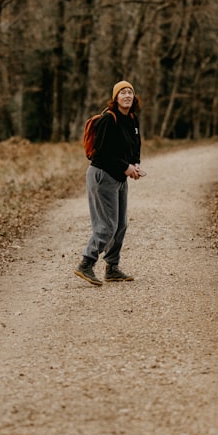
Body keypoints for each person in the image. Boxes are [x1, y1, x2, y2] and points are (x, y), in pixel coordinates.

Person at [74, 80, 144, 286]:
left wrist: (135, 164)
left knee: (121, 224)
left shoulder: (131, 119)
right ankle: (86, 264)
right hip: (102, 175)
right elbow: (102, 152)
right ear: (115, 98)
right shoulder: (108, 119)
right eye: (122, 92)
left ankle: (112, 268)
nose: (127, 96)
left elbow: (135, 146)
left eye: (130, 92)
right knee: (107, 225)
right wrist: (125, 167)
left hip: (119, 177)